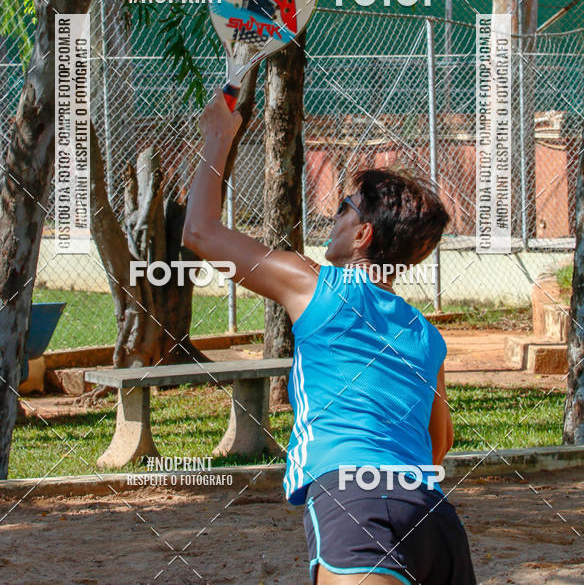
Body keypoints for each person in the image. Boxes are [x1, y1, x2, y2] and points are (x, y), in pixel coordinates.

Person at [183, 90, 476, 585]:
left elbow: (201, 232)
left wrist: (218, 136)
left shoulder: (315, 287)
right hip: (435, 519)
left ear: (362, 236)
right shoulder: (427, 336)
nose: (335, 215)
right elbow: (438, 442)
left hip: (355, 505)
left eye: (345, 207)